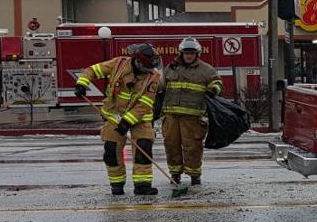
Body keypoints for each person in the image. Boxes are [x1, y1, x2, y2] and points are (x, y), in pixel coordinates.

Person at [74, 43, 162, 196]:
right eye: (147, 66)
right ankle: (117, 185)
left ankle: (142, 185)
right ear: (137, 61)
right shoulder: (119, 64)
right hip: (113, 114)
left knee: (143, 148)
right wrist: (82, 83)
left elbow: (145, 104)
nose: (150, 70)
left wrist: (127, 121)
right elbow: (93, 70)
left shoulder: (153, 78)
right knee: (111, 151)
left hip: (140, 118)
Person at [158, 37, 223, 186]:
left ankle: (194, 175)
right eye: (186, 53)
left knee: (193, 146)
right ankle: (175, 174)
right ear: (181, 53)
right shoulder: (171, 68)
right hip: (171, 116)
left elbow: (217, 82)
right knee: (171, 145)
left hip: (193, 117)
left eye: (192, 53)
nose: (189, 56)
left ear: (197, 54)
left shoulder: (206, 70)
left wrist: (214, 89)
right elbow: (160, 85)